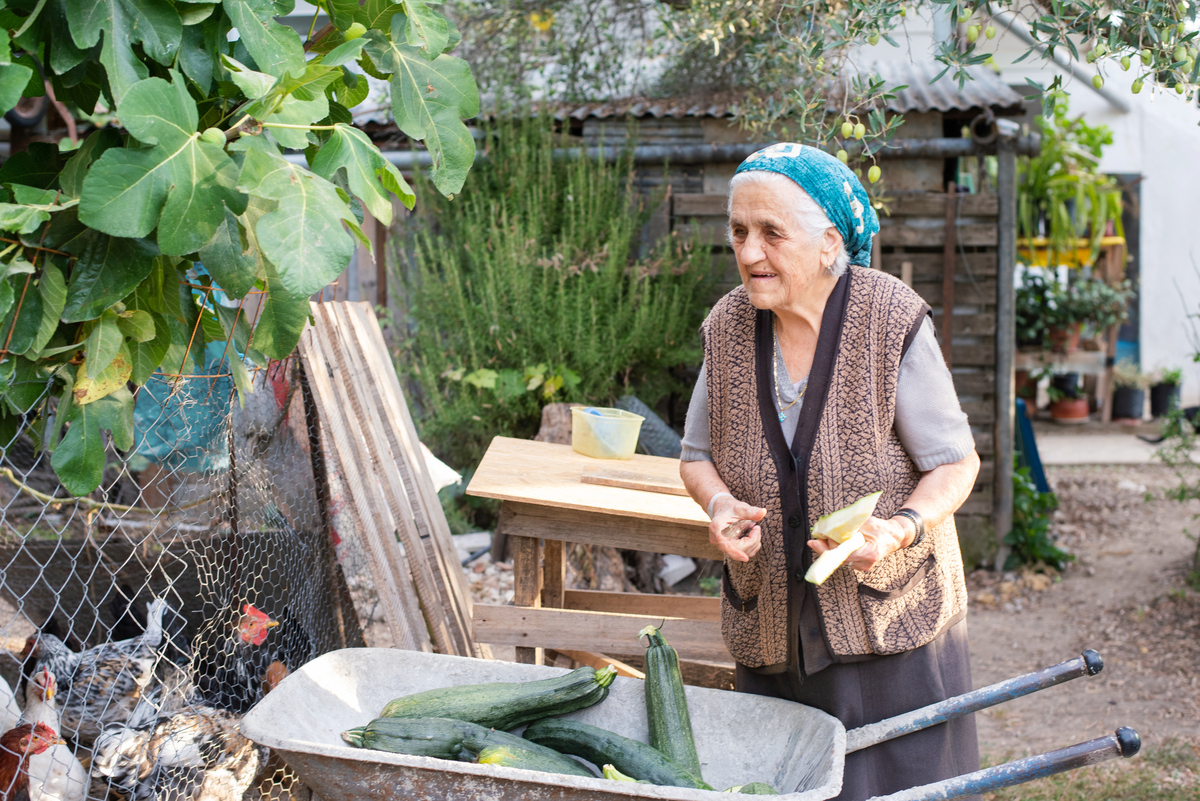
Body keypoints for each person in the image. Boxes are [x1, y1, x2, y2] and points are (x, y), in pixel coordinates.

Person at [679, 142, 982, 801]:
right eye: (738, 231)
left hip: (890, 638)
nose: (749, 252)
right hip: (771, 637)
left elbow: (955, 463)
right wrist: (718, 505)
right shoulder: (727, 326)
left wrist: (896, 530)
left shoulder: (890, 318)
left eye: (770, 233)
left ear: (828, 244)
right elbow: (695, 456)